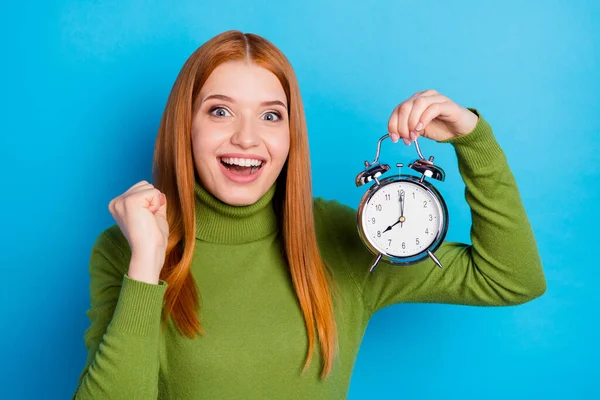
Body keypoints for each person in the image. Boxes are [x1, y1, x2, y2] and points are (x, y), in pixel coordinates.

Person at [72, 30, 546, 399]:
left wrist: (474, 140)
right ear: (186, 126)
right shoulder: (126, 248)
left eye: (271, 115)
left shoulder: (345, 238)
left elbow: (511, 278)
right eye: (220, 112)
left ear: (291, 135)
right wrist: (147, 266)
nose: (246, 138)